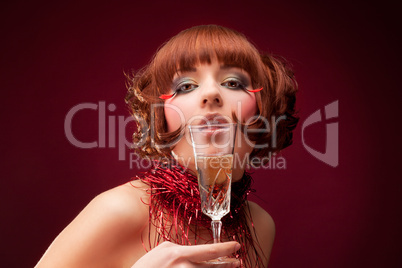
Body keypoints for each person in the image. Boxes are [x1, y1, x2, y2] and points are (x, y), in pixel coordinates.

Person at [36, 25, 298, 267]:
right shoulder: (119, 211)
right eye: (185, 86)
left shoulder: (260, 226)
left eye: (233, 83)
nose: (210, 94)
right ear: (162, 120)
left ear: (263, 113)